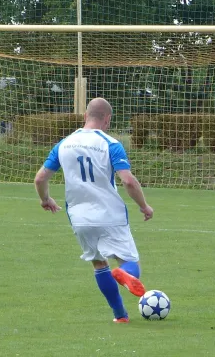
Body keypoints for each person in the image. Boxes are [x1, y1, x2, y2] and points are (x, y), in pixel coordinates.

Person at [34, 97, 154, 324]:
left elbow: (40, 178)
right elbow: (127, 181)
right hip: (110, 215)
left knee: (99, 264)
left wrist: (46, 199)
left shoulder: (64, 144)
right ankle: (125, 274)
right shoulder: (110, 143)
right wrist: (144, 206)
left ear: (85, 116)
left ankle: (120, 315)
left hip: (79, 218)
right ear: (107, 119)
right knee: (130, 262)